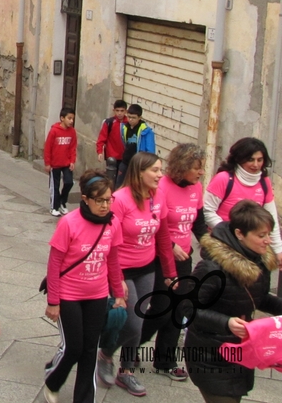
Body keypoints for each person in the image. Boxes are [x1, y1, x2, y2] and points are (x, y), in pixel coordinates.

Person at [185, 201, 282, 403]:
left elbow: (259, 298)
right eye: (261, 235)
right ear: (239, 234)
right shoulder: (211, 268)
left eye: (269, 234)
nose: (267, 241)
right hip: (209, 355)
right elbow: (187, 307)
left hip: (239, 353)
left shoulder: (259, 260)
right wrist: (226, 322)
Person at [97, 152, 177, 397]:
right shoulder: (120, 200)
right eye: (155, 170)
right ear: (139, 172)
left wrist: (170, 273)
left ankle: (127, 371)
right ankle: (106, 353)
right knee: (131, 323)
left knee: (139, 323)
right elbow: (109, 240)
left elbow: (163, 237)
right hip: (122, 269)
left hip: (147, 268)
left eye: (161, 170)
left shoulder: (158, 196)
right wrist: (117, 277)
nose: (160, 175)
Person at [43, 170, 126, 403]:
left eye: (109, 200)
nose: (104, 205)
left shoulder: (113, 223)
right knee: (74, 347)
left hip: (97, 295)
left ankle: (84, 399)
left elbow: (113, 260)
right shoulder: (69, 223)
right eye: (99, 200)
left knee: (90, 349)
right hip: (69, 294)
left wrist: (118, 293)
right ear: (86, 199)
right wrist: (53, 301)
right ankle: (54, 380)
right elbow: (55, 263)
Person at [138, 143, 207, 381]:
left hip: (184, 258)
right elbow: (154, 222)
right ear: (183, 166)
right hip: (160, 256)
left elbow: (198, 222)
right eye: (197, 167)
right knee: (160, 309)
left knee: (178, 310)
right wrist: (171, 246)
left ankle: (165, 361)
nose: (201, 173)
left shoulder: (197, 188)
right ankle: (133, 343)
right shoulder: (162, 187)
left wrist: (212, 246)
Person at [203, 137, 282, 264]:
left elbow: (271, 217)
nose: (256, 165)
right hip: (223, 246)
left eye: (260, 160)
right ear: (239, 159)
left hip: (252, 248)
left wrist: (278, 250)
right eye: (250, 159)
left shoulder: (264, 182)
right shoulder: (223, 179)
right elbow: (207, 211)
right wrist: (230, 234)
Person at [44, 107, 78, 217]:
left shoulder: (72, 132)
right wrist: (48, 163)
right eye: (69, 118)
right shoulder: (54, 131)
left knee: (69, 182)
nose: (71, 121)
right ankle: (54, 207)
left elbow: (73, 147)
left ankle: (62, 202)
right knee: (55, 186)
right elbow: (48, 147)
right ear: (62, 118)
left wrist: (72, 161)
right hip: (55, 164)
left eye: (72, 118)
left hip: (66, 163)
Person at [116, 104, 155, 189]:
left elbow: (150, 151)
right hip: (125, 161)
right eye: (129, 117)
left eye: (133, 118)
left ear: (139, 117)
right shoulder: (124, 127)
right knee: (119, 186)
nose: (130, 120)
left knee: (135, 187)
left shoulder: (146, 132)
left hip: (138, 164)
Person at [96, 100, 127, 182]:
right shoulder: (109, 122)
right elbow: (101, 138)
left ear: (125, 111)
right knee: (111, 179)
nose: (119, 113)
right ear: (114, 111)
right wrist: (99, 152)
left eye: (122, 111)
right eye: (117, 111)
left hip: (124, 157)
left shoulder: (128, 123)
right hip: (111, 156)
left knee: (122, 180)